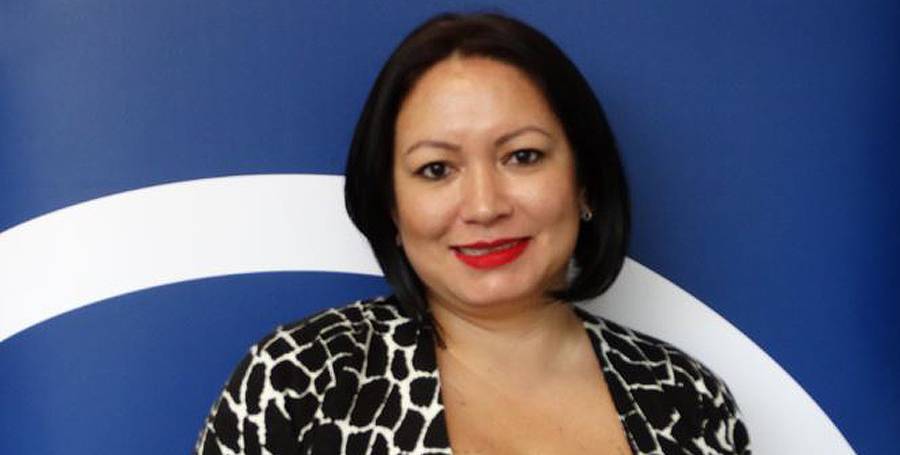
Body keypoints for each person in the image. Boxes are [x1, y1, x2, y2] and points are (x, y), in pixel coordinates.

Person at [195, 12, 750, 455]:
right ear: (393, 206)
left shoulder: (686, 398)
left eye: (523, 156)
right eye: (436, 169)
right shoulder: (301, 380)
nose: (485, 206)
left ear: (584, 183)